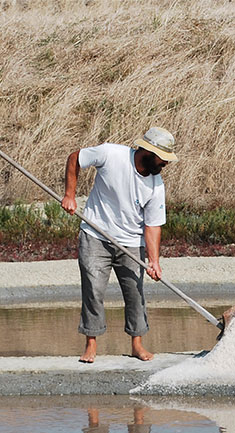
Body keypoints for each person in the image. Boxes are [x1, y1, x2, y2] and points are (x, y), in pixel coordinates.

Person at [62, 127, 176, 363]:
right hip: (95, 234)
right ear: (147, 151)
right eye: (162, 158)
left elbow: (153, 226)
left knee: (135, 293)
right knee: (93, 289)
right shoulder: (110, 154)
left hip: (132, 243)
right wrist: (70, 194)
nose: (165, 164)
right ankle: (91, 345)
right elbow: (75, 158)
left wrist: (154, 261)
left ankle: (137, 344)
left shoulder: (156, 185)